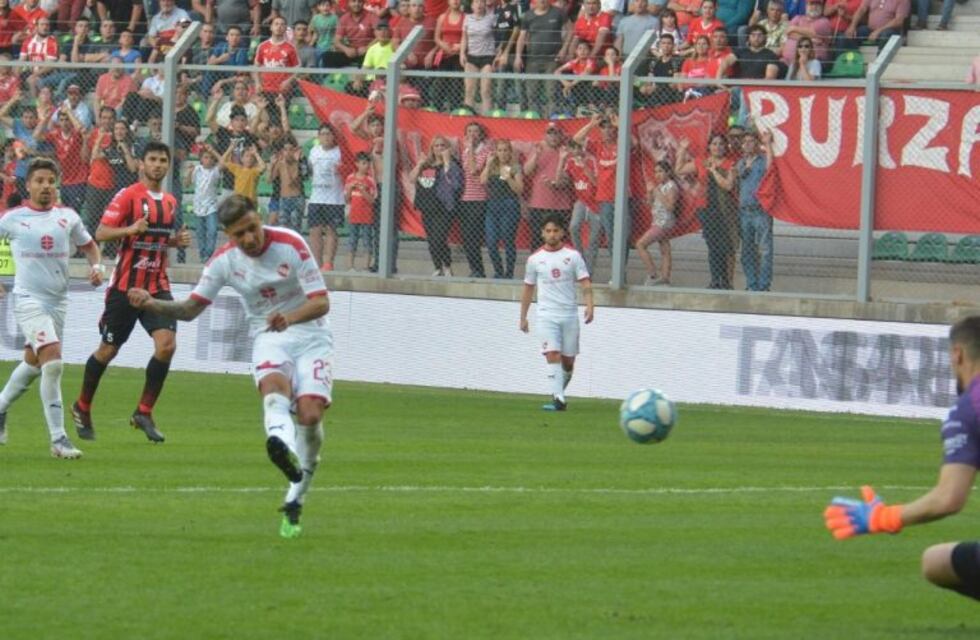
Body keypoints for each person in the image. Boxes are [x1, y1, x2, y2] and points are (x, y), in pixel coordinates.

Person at [128, 194, 333, 539]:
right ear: (227, 234)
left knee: (310, 416)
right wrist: (152, 304)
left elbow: (322, 302)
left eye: (253, 228)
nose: (249, 238)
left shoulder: (291, 243)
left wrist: (290, 317)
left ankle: (295, 497)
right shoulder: (223, 261)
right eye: (240, 234)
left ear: (260, 217)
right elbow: (190, 310)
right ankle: (279, 443)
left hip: (312, 334)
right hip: (269, 336)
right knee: (274, 391)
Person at [823, 316, 980, 602]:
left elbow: (948, 499)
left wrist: (884, 517)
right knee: (939, 561)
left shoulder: (969, 408)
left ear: (957, 354)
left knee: (935, 562)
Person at [71, 141, 192, 444]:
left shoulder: (170, 202)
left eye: (162, 160)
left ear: (168, 165)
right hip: (125, 287)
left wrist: (174, 242)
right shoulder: (127, 195)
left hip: (157, 286)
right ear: (141, 163)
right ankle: (82, 406)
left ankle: (144, 412)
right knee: (108, 351)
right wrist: (129, 229)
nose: (158, 165)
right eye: (152, 159)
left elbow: (155, 240)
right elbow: (100, 232)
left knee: (167, 345)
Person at [0, 158, 104, 458]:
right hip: (28, 300)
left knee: (34, 363)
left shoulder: (67, 217)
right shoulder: (13, 218)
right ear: (28, 185)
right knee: (54, 362)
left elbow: (89, 246)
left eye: (50, 181)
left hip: (58, 302)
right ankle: (58, 440)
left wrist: (97, 267)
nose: (46, 186)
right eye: (40, 181)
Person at [519, 214, 594, 412]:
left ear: (562, 233)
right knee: (552, 353)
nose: (552, 234)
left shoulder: (573, 256)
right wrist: (523, 317)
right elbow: (528, 288)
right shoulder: (535, 259)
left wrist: (590, 305)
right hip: (546, 314)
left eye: (555, 231)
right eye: (548, 231)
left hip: (569, 315)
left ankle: (557, 392)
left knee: (568, 362)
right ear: (542, 233)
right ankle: (559, 399)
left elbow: (585, 282)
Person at [675, 133, 736, 289]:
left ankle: (726, 281)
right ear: (709, 146)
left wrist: (714, 170)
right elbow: (679, 170)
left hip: (724, 210)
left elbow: (729, 186)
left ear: (725, 147)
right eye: (714, 144)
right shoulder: (701, 162)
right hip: (706, 208)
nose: (717, 147)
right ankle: (715, 280)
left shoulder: (730, 164)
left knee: (725, 246)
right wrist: (682, 150)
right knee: (712, 245)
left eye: (721, 144)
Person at [410, 135, 462, 277]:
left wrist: (446, 161)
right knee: (432, 239)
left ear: (447, 148)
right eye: (436, 146)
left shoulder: (453, 164)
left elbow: (454, 183)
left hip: (444, 208)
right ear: (432, 149)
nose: (439, 148)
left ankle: (447, 265)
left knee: (439, 237)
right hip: (428, 206)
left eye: (442, 145)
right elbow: (412, 178)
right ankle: (438, 267)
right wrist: (419, 164)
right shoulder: (427, 164)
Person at [735, 130, 774, 291]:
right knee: (747, 251)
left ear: (757, 144)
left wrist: (767, 144)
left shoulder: (762, 160)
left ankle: (764, 285)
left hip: (761, 210)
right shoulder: (740, 163)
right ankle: (751, 284)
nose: (747, 144)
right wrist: (746, 166)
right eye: (745, 142)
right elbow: (740, 176)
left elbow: (770, 167)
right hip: (745, 211)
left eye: (751, 141)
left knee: (765, 250)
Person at [480, 138, 523, 280]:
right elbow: (482, 181)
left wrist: (508, 177)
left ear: (510, 152)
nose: (503, 153)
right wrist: (487, 164)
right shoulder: (492, 166)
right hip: (493, 206)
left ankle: (509, 273)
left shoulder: (515, 167)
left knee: (507, 239)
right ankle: (498, 272)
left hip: (509, 205)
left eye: (505, 150)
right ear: (496, 152)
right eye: (500, 150)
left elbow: (519, 189)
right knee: (491, 242)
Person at [307, 123, 346, 271]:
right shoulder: (314, 151)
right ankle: (317, 263)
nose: (326, 137)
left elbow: (347, 170)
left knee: (331, 230)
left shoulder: (340, 152)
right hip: (316, 197)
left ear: (334, 136)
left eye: (329, 134)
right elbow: (310, 170)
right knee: (314, 231)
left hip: (334, 198)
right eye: (323, 134)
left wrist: (341, 170)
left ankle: (328, 263)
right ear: (318, 136)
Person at [636, 160, 679, 286]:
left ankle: (653, 274)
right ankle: (665, 278)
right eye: (655, 172)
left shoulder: (671, 186)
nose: (657, 174)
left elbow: (670, 206)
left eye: (660, 171)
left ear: (668, 172)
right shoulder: (659, 187)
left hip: (663, 222)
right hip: (657, 221)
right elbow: (650, 204)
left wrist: (656, 192)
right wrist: (650, 192)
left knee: (640, 244)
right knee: (665, 250)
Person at [186, 147, 221, 261]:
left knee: (212, 230)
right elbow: (187, 184)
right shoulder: (197, 169)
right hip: (198, 206)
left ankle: (209, 254)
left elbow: (223, 162)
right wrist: (189, 172)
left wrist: (214, 151)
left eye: (211, 158)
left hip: (211, 206)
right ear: (201, 159)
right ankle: (203, 255)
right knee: (200, 233)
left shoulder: (215, 171)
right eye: (206, 157)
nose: (208, 160)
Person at [344, 151, 377, 271]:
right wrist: (350, 189)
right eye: (363, 163)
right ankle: (350, 266)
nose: (366, 166)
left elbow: (372, 200)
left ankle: (366, 266)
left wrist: (363, 191)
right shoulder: (350, 178)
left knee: (367, 241)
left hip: (367, 217)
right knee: (352, 240)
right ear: (357, 164)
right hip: (354, 216)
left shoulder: (370, 180)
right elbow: (347, 199)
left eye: (367, 163)